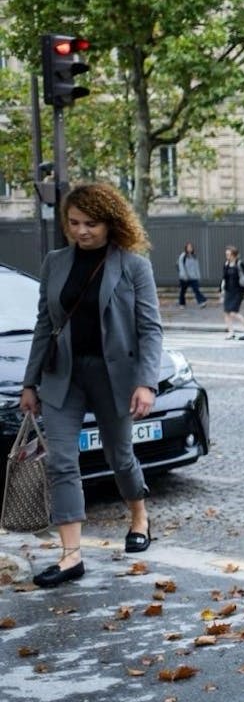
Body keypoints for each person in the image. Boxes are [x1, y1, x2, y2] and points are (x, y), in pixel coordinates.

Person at [20, 183, 164, 589]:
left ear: (111, 223)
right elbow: (45, 326)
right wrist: (29, 382)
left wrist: (146, 384)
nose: (82, 232)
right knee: (60, 459)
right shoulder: (55, 262)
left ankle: (139, 516)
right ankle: (71, 557)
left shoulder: (134, 266)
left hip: (112, 376)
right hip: (63, 376)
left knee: (120, 456)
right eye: (74, 223)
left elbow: (150, 330)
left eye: (91, 224)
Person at [220, 245, 244, 338]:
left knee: (233, 312)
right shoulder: (226, 264)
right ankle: (231, 332)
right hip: (228, 290)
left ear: (233, 255)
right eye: (226, 254)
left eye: (228, 254)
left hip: (238, 291)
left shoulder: (240, 263)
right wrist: (221, 289)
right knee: (226, 312)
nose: (227, 256)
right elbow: (224, 277)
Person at [175, 242, 206, 307]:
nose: (189, 249)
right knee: (183, 291)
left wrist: (198, 276)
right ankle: (182, 303)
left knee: (196, 290)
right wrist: (184, 275)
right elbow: (181, 266)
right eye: (188, 247)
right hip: (184, 278)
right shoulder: (183, 256)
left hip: (193, 277)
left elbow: (196, 267)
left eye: (191, 247)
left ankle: (201, 302)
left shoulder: (194, 256)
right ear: (186, 248)